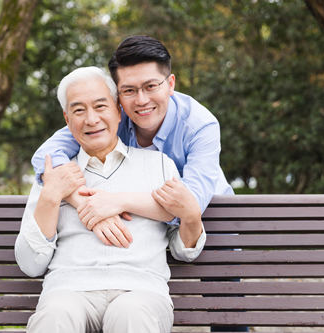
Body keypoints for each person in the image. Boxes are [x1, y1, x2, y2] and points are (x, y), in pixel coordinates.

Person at [15, 66, 206, 333]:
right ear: (67, 120)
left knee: (130, 314)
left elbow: (183, 249)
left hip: (140, 291)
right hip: (69, 289)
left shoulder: (159, 165)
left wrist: (191, 217)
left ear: (118, 111)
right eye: (79, 110)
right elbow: (30, 264)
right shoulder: (56, 173)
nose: (91, 119)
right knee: (55, 316)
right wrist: (50, 197)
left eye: (100, 106)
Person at [31, 35, 233, 247]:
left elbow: (190, 204)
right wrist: (84, 203)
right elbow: (46, 155)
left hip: (216, 225)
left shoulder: (200, 125)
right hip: (149, 236)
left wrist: (117, 201)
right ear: (118, 97)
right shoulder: (111, 118)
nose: (141, 100)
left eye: (151, 86)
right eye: (129, 90)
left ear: (170, 84)